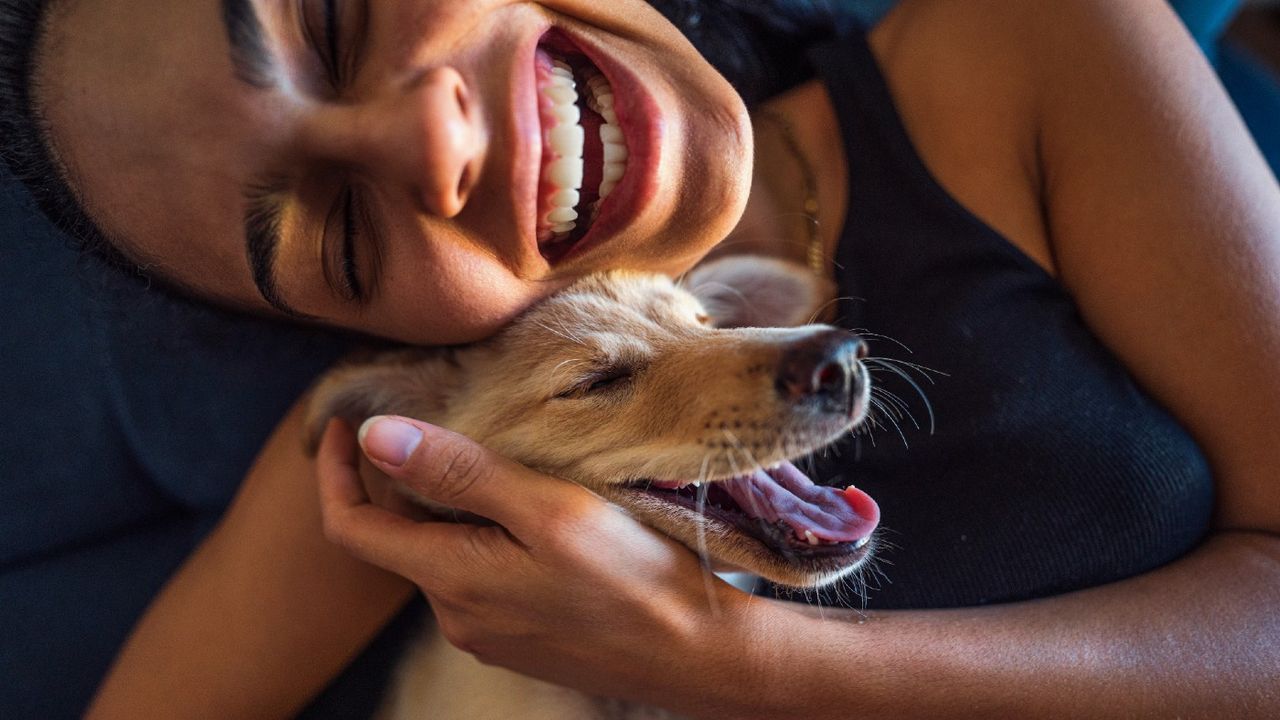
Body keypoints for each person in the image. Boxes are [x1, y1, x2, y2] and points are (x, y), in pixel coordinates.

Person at [1, 0, 1278, 717]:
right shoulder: (432, 431)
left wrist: (725, 658)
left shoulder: (1030, 48)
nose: (433, 142)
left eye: (334, 22)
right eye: (339, 233)